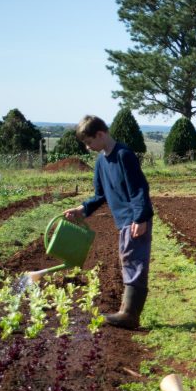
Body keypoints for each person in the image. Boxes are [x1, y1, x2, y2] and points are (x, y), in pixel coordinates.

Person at [64, 115, 154, 330]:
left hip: (134, 219)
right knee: (128, 259)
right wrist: (81, 209)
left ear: (101, 134)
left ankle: (129, 315)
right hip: (123, 220)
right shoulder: (101, 162)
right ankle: (127, 311)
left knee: (134, 261)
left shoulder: (124, 155)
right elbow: (100, 195)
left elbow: (140, 188)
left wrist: (140, 218)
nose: (88, 148)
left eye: (89, 142)